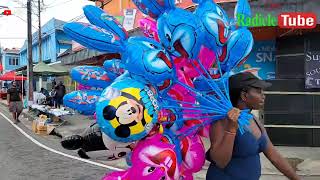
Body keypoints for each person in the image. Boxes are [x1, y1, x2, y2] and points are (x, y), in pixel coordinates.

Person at [206, 72, 300, 180]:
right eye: (258, 91)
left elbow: (274, 156)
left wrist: (296, 178)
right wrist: (231, 129)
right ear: (244, 95)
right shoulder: (222, 121)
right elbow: (220, 161)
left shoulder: (252, 119)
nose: (263, 95)